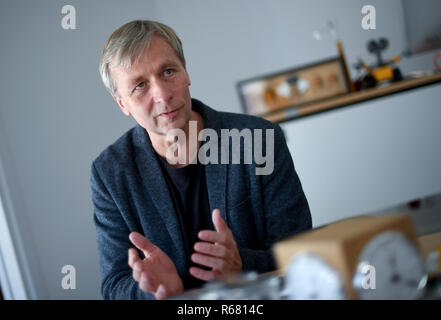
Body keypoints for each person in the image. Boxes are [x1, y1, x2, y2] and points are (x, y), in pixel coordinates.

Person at [91, 20, 312, 300]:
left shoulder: (260, 139)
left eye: (168, 71)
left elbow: (303, 250)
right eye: (140, 86)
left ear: (186, 72)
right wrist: (154, 289)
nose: (162, 94)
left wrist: (243, 263)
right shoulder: (109, 173)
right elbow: (114, 286)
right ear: (122, 103)